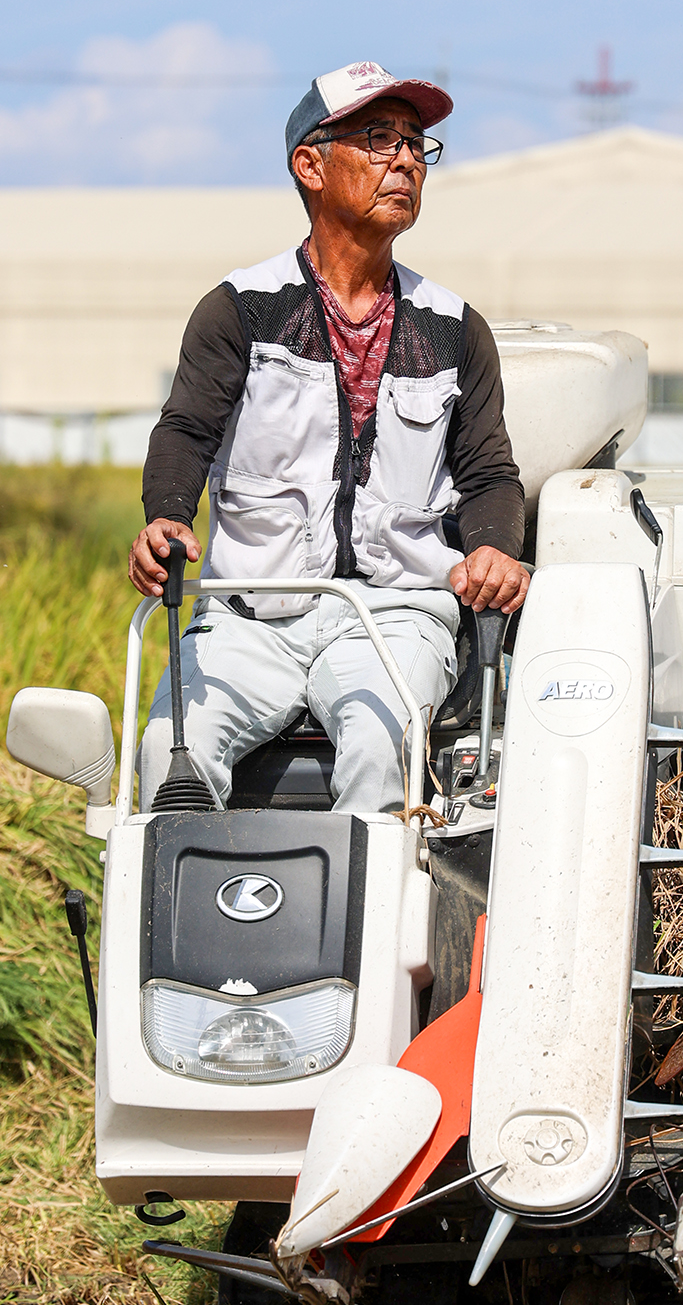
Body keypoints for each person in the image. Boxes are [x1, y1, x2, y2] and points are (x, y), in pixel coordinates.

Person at [129, 59, 529, 818]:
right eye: (378, 140)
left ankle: (365, 937)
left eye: (416, 144)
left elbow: (489, 475)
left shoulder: (454, 328)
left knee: (380, 742)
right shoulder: (241, 310)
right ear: (310, 165)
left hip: (397, 615)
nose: (406, 160)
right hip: (251, 616)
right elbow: (185, 429)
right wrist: (167, 516)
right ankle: (189, 925)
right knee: (169, 749)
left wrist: (494, 550)